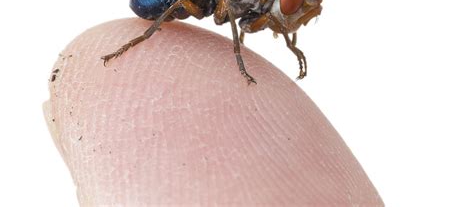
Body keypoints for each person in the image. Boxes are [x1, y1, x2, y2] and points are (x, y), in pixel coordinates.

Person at [44, 18, 383, 206]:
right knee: (180, 0)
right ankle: (138, 41)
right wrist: (239, 58)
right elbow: (233, 13)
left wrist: (291, 44)